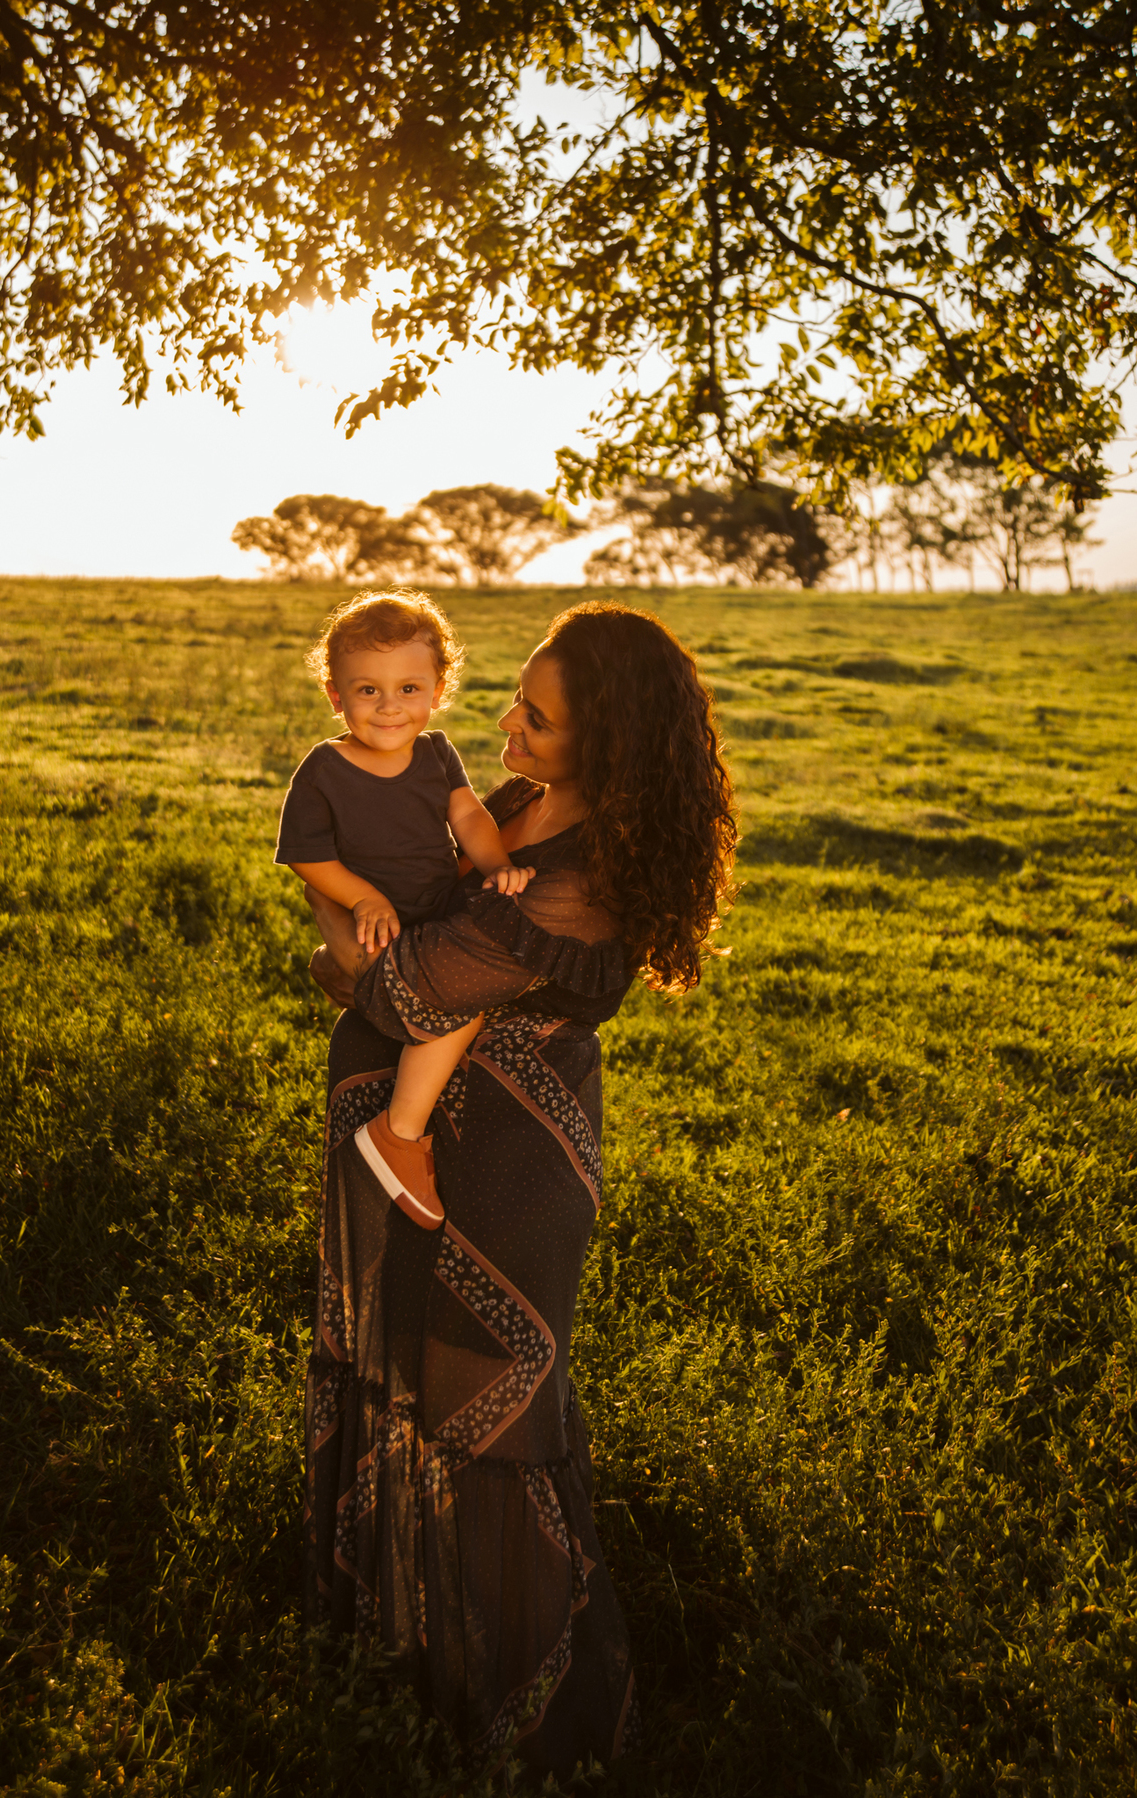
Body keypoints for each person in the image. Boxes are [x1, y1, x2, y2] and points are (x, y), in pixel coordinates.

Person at [302, 600, 738, 1780]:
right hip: (403, 1143)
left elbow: (399, 986)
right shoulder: (509, 807)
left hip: (510, 1162)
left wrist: (339, 933)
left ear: (606, 742)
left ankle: (534, 1721)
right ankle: (400, 1654)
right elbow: (382, 941)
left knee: (488, 1404)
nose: (505, 722)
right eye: (517, 700)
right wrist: (352, 933)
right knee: (399, 1371)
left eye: (536, 719)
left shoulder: (591, 871)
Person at [275, 590, 534, 1231]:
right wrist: (363, 896)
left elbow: (467, 816)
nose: (389, 706)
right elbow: (306, 856)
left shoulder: (437, 753)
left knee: (471, 989)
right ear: (336, 695)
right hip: (378, 923)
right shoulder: (324, 769)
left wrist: (497, 864)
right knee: (457, 1007)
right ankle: (399, 1134)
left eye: (409, 688)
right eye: (368, 690)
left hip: (438, 912)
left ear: (438, 691)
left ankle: (421, 1111)